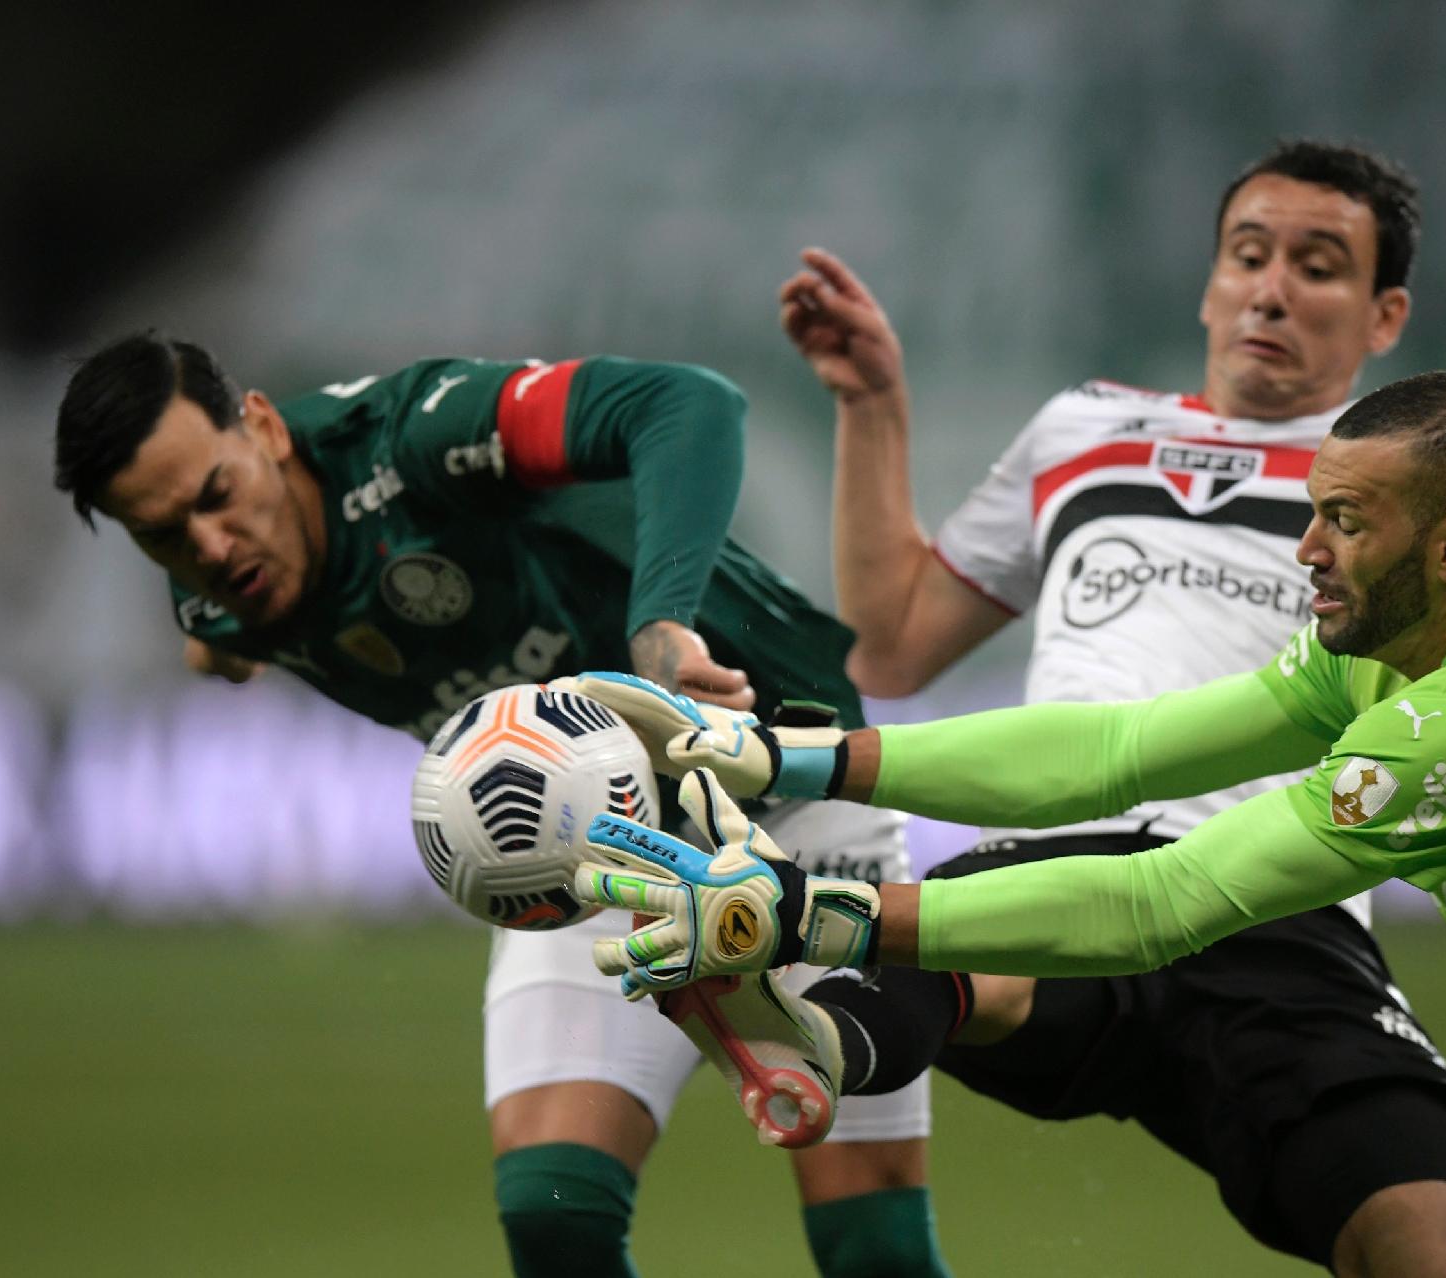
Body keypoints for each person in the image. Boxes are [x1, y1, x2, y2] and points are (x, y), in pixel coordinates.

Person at [675, 7, 1446, 1274]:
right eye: (1249, 253)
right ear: (1208, 282)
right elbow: (895, 645)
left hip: (1280, 895)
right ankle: (824, 1031)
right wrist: (872, 408)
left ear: (1387, 313)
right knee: (979, 954)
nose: (1273, 288)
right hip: (1065, 839)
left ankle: (804, 976)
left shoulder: (1431, 467)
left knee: (1430, 1240)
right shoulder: (1087, 431)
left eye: (1319, 264)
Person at [573, 368, 1446, 1276]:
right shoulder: (1414, 645)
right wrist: (789, 756)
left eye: (1343, 519)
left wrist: (818, 912)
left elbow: (1169, 898)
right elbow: (1118, 754)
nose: (1308, 550)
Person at [50, 338, 958, 1278]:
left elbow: (688, 398)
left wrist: (660, 622)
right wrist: (227, 651)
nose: (207, 545)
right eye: (161, 534)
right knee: (552, 1217)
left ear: (266, 427)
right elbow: (220, 635)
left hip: (789, 805)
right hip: (579, 852)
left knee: (871, 1249)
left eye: (214, 495)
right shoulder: (219, 594)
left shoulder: (418, 439)